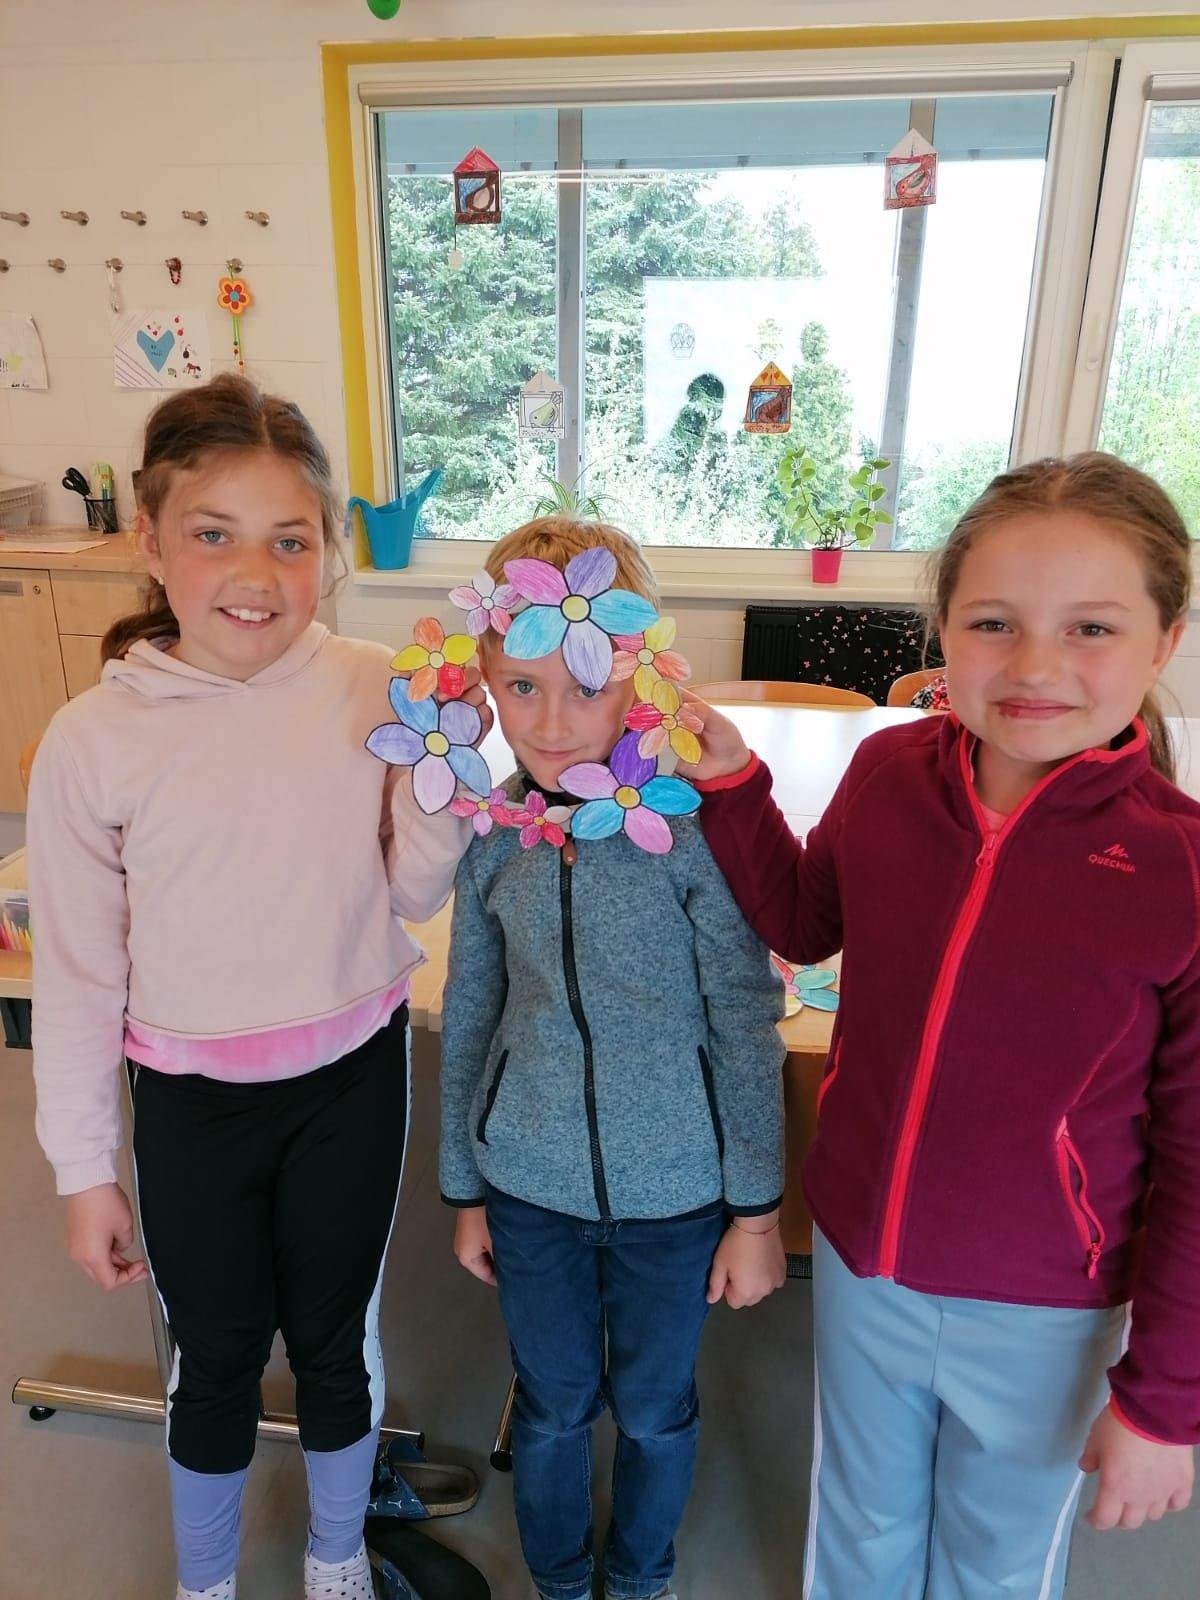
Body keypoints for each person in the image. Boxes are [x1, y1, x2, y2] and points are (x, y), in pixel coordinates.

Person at [683, 454, 1198, 1598]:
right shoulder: (887, 772)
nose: (1035, 665)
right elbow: (805, 921)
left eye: (1091, 628)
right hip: (866, 1258)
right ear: (944, 631)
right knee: (857, 1530)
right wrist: (735, 786)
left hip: (1051, 1302)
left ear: (1164, 640)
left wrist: (1165, 1402)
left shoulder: (1181, 868)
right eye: (994, 622)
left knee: (994, 1562)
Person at [27, 374, 475, 1600]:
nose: (255, 573)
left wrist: (446, 775)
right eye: (214, 533)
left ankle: (337, 1558)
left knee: (336, 1341)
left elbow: (413, 888)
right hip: (191, 1103)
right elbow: (79, 972)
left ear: (330, 549)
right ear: (150, 540)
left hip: (351, 1080)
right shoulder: (95, 740)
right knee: (216, 1355)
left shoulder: (375, 683)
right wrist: (83, 1168)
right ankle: (207, 1582)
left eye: (290, 539)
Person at [440, 516, 787, 1600]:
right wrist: (465, 1189)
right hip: (528, 1184)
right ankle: (556, 1580)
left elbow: (743, 1015)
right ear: (487, 681)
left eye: (585, 687)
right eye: (522, 687)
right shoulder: (494, 834)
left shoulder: (687, 834)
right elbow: (472, 1007)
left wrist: (756, 1212)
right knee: (549, 1404)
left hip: (675, 1192)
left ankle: (637, 1578)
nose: (551, 722)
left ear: (638, 676)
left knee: (652, 1407)